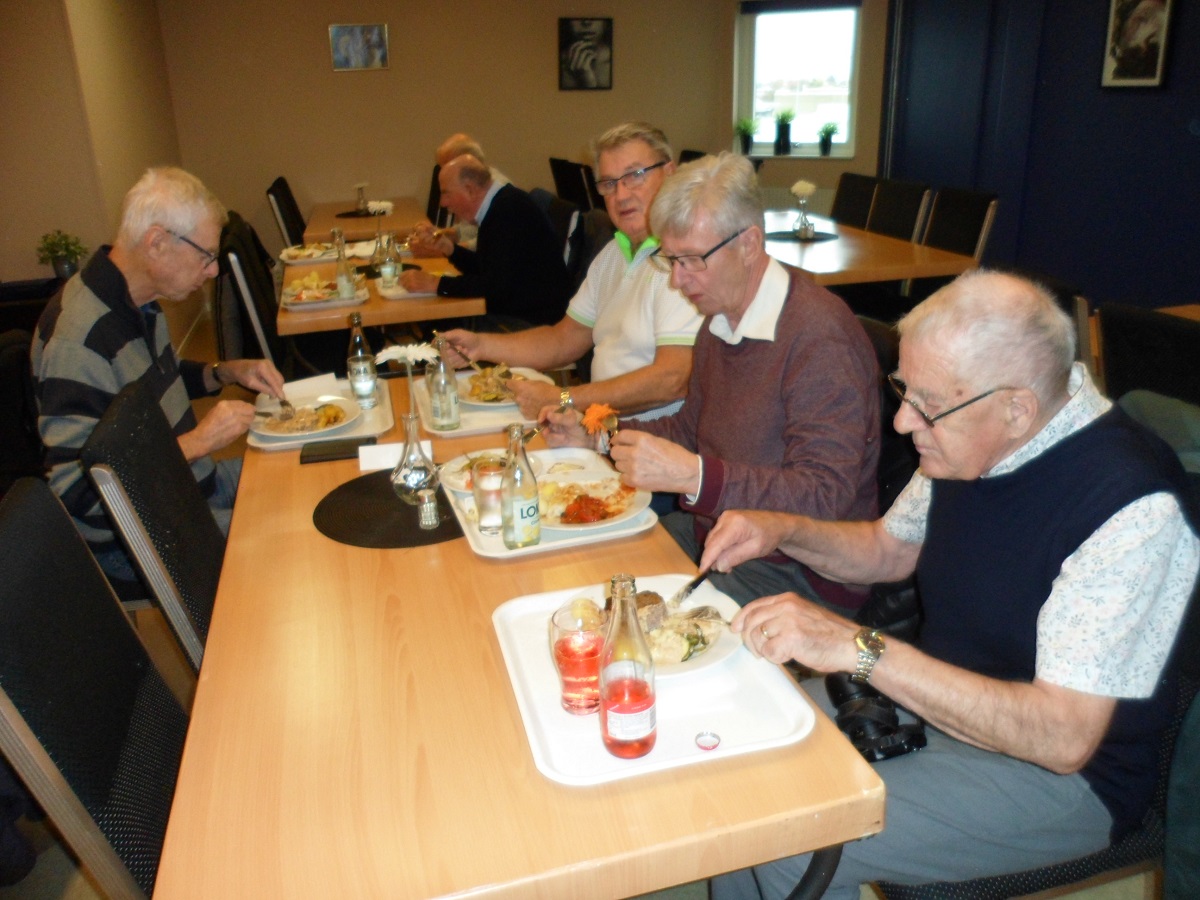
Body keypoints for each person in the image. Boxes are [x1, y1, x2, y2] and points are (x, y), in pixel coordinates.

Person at [699, 270, 1200, 899]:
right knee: (740, 752)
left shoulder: (1130, 505)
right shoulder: (970, 437)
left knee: (793, 835)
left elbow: (1062, 739)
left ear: (1017, 408)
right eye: (903, 389)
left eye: (926, 404)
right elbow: (888, 549)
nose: (902, 422)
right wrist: (783, 529)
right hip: (939, 700)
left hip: (1066, 778)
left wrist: (859, 648)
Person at [543, 152, 880, 611]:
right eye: (671, 260)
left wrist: (696, 475)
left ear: (749, 244)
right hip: (716, 536)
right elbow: (690, 429)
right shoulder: (718, 321)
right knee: (588, 571)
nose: (678, 280)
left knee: (621, 623)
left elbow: (825, 495)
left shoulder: (820, 338)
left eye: (692, 260)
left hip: (797, 572)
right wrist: (598, 436)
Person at [32, 167, 285, 583]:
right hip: (139, 535)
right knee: (286, 544)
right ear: (157, 243)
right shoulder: (78, 340)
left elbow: (152, 382)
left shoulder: (139, 299)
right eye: (206, 256)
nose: (212, 271)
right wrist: (197, 442)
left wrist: (225, 372)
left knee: (294, 473)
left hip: (187, 486)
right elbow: (78, 492)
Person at [439, 121, 702, 422]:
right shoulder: (613, 254)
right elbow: (563, 340)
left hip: (657, 439)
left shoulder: (686, 262)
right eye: (609, 183)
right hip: (603, 429)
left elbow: (672, 379)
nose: (621, 195)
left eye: (635, 175)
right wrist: (480, 345)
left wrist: (564, 398)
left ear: (669, 173)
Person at [400, 154, 572, 331]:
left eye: (446, 193)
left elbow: (495, 289)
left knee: (441, 324)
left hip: (533, 323)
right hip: (522, 309)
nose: (443, 202)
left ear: (469, 189)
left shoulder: (508, 212)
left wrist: (436, 284)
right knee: (437, 320)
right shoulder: (500, 204)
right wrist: (450, 249)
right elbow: (489, 270)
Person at [433, 133, 510, 247]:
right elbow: (467, 231)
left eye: (447, 167)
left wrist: (443, 250)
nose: (443, 174)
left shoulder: (497, 193)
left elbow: (488, 245)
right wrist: (435, 235)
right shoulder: (472, 186)